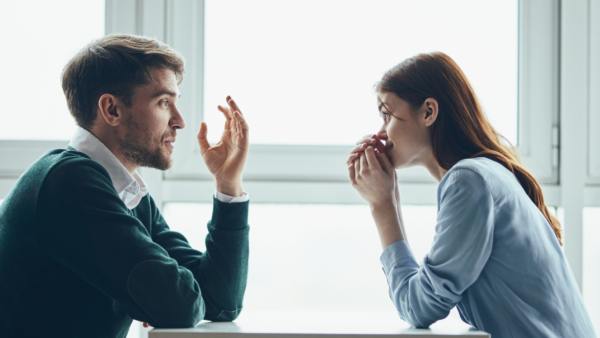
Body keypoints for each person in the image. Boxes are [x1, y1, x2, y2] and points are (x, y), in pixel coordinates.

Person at [0, 34, 250, 337]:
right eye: (163, 102)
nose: (180, 121)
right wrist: (160, 296)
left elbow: (220, 302)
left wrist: (228, 185)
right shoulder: (69, 183)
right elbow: (179, 305)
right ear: (112, 110)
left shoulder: (125, 192)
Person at [347, 52, 596, 337]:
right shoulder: (483, 174)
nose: (380, 133)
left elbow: (419, 307)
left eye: (387, 114)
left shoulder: (468, 180)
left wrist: (382, 207)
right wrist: (388, 198)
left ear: (429, 111)